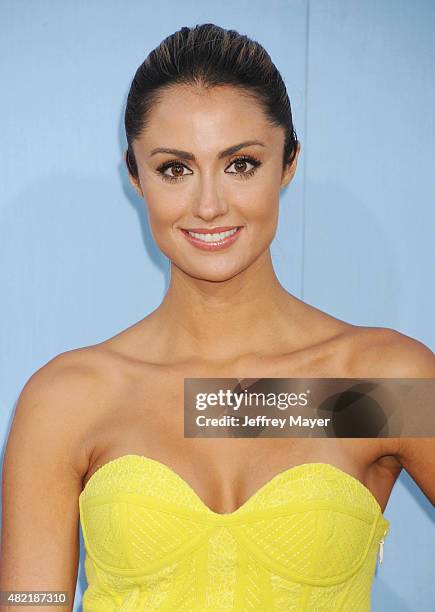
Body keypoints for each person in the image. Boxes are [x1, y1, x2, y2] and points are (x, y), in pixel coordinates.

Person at [1, 23, 434, 612]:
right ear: (136, 176)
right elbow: (30, 601)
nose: (209, 204)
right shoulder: (69, 398)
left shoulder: (380, 383)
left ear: (288, 163)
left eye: (241, 164)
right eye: (175, 168)